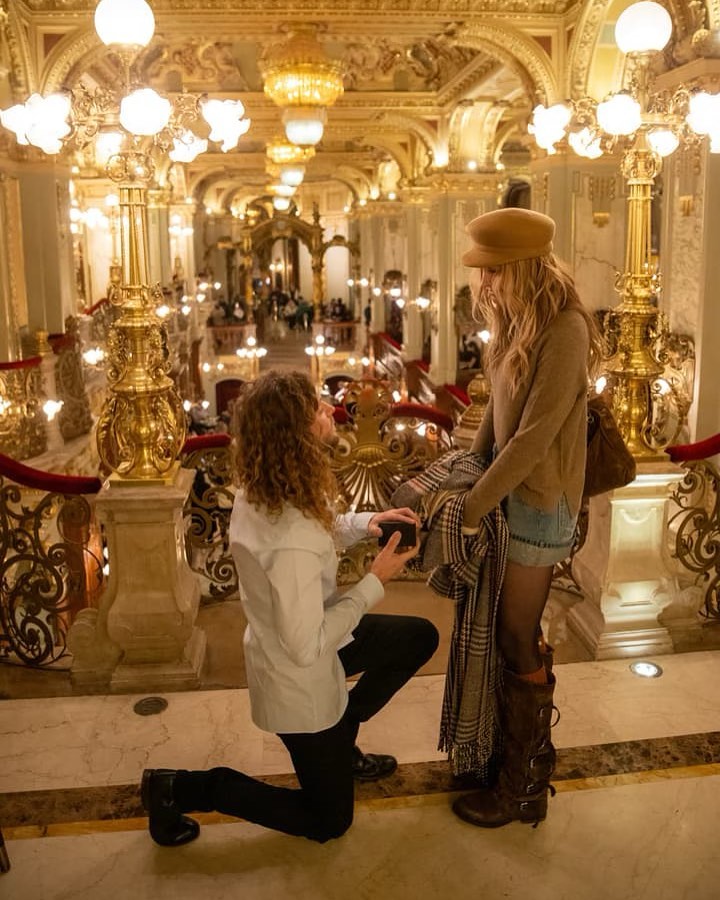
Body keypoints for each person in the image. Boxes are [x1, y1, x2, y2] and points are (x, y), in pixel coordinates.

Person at [141, 370, 438, 846]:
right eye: (317, 409)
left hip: (313, 638)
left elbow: (322, 527)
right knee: (329, 822)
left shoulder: (269, 487)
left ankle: (343, 735)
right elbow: (306, 647)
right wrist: (374, 581)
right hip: (299, 673)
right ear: (295, 433)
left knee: (417, 637)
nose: (329, 411)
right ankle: (182, 788)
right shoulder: (289, 539)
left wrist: (368, 522)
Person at [451, 207, 602, 828]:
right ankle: (507, 760)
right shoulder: (517, 319)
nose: (482, 284)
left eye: (491, 272)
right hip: (512, 494)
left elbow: (535, 436)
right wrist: (469, 465)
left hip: (541, 504)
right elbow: (499, 410)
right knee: (511, 632)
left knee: (516, 635)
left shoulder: (566, 328)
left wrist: (474, 504)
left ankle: (522, 787)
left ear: (518, 268)